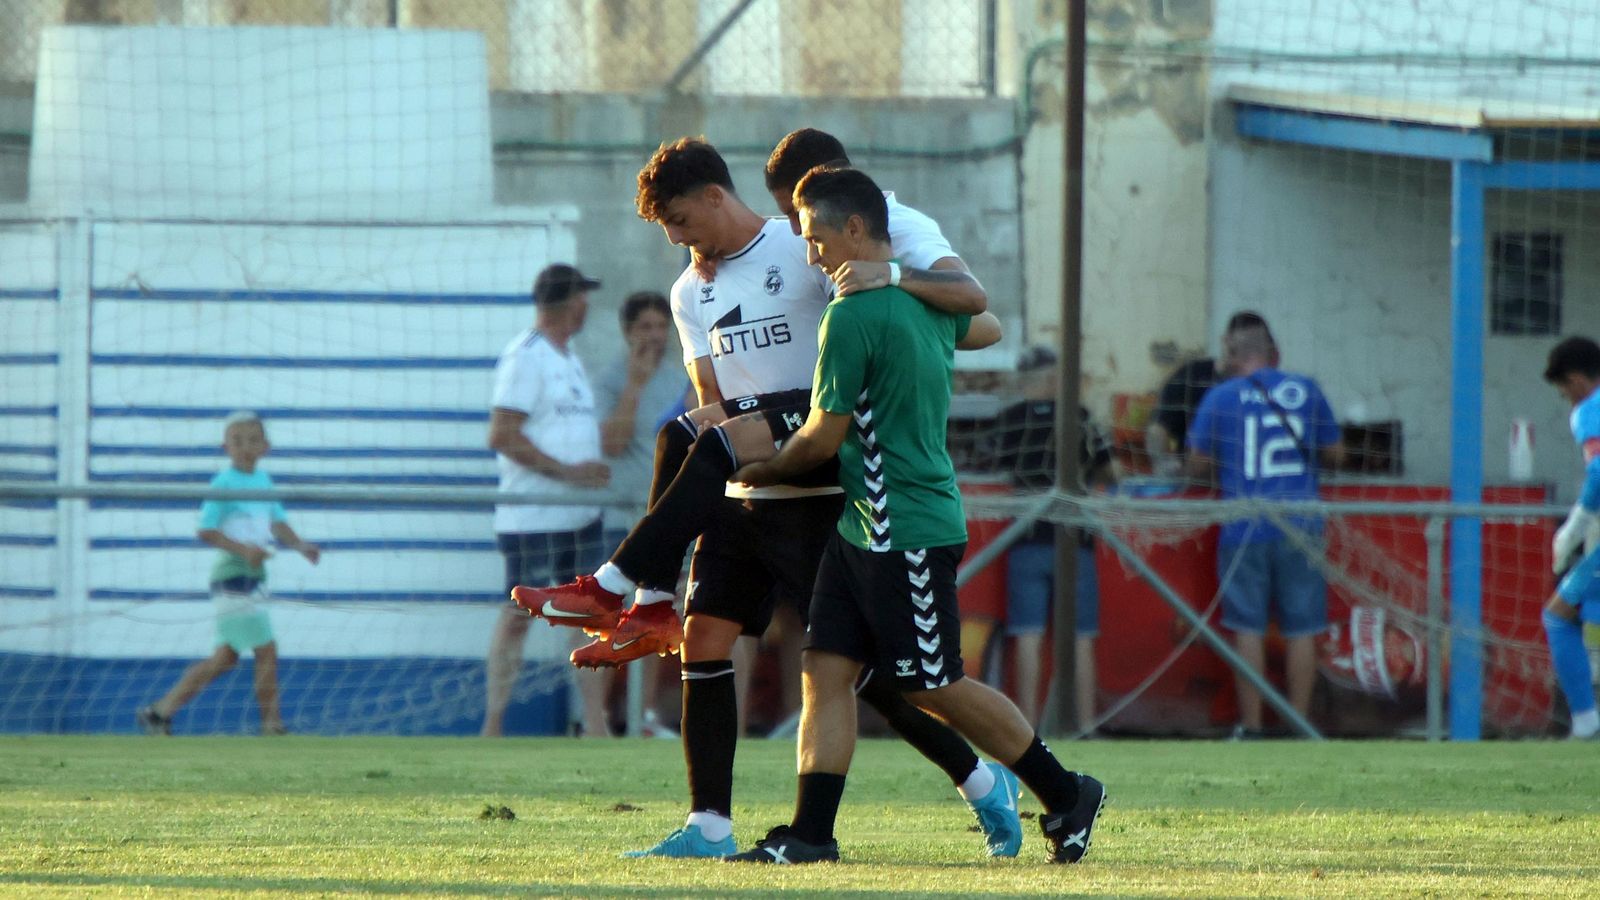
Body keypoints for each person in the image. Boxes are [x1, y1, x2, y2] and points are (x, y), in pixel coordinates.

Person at [517, 137, 1020, 860]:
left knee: (862, 670)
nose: (680, 240)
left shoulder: (803, 245)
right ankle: (709, 826)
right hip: (745, 485)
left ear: (718, 197)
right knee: (708, 636)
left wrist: (904, 300)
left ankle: (980, 780)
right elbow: (712, 401)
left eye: (683, 221)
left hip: (818, 488)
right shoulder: (689, 291)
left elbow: (973, 320)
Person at [727, 165, 1105, 866]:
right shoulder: (929, 301)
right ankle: (810, 836)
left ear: (856, 229)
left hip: (903, 526)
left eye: (814, 238)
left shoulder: (850, 315)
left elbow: (821, 438)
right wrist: (901, 278)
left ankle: (1066, 791)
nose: (810, 254)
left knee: (934, 684)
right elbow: (982, 318)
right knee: (826, 669)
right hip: (862, 528)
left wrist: (761, 470)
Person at [1184, 313, 1344, 738]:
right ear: (1274, 353)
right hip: (1301, 523)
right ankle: (1298, 726)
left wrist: (1224, 462)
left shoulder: (1220, 398)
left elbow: (1195, 463)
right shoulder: (1306, 390)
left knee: (1248, 628)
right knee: (1303, 628)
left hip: (1245, 525)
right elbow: (1336, 453)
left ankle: (1252, 726)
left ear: (1235, 356)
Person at [482, 263, 612, 738]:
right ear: (571, 301)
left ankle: (596, 724)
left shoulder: (568, 358)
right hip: (533, 516)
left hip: (580, 517)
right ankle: (493, 723)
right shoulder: (526, 356)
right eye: (583, 297)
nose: (587, 307)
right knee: (519, 614)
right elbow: (502, 434)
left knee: (588, 614)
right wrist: (568, 472)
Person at [137, 411, 320, 736]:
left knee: (225, 658)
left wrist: (301, 546)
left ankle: (159, 712)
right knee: (267, 650)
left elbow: (277, 522)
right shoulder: (223, 484)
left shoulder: (263, 482)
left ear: (266, 446)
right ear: (225, 446)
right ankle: (272, 725)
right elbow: (206, 530)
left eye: (252, 440)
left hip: (256, 576)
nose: (245, 447)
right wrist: (244, 550)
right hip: (233, 576)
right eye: (237, 441)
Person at [985, 346, 1116, 733]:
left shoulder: (1007, 422)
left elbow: (993, 468)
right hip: (1076, 542)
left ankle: (1025, 730)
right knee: (1080, 637)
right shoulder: (1079, 418)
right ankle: (1087, 726)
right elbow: (1112, 472)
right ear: (1052, 377)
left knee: (1027, 635)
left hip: (1026, 538)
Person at [590, 290, 693, 736]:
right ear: (627, 332)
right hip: (620, 516)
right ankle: (594, 720)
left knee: (654, 611)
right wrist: (634, 383)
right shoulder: (611, 380)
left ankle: (645, 715)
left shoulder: (679, 377)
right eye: (644, 328)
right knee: (602, 617)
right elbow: (611, 444)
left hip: (662, 516)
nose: (654, 336)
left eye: (660, 327)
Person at [1540, 336, 1600, 739]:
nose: (1567, 399)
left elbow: (1599, 473)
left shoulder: (1589, 410)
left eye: (1564, 391)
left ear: (1577, 381)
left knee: (1558, 617)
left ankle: (1585, 724)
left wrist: (1573, 527)